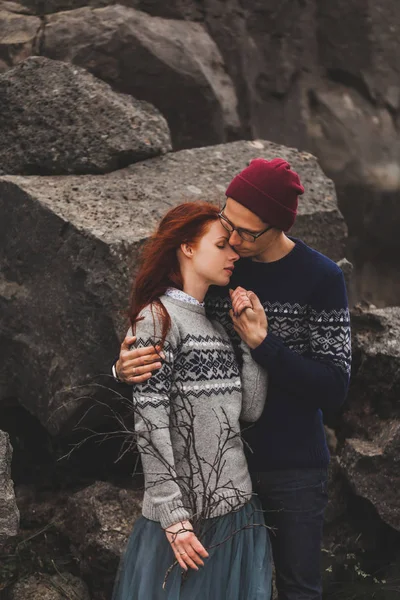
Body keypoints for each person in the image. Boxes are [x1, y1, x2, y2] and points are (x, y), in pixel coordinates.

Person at [113, 158, 352, 600]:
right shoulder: (221, 265)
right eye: (228, 225)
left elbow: (334, 388)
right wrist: (122, 367)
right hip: (216, 471)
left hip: (293, 464)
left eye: (246, 233)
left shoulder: (322, 278)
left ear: (277, 225)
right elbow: (167, 332)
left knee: (298, 588)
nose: (235, 242)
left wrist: (264, 345)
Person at [112, 202, 272, 600]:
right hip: (186, 521)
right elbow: (150, 426)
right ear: (186, 247)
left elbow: (249, 411)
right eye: (221, 245)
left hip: (238, 510)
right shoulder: (157, 319)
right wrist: (174, 517)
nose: (234, 254)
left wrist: (254, 344)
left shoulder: (216, 326)